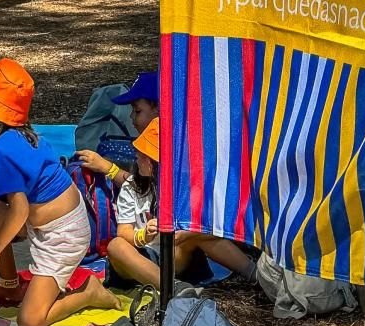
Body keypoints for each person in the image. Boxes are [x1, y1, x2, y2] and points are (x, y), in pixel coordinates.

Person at [0, 59, 120, 326]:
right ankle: (10, 286)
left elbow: (19, 211)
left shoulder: (3, 149)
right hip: (49, 221)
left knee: (30, 320)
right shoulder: (23, 135)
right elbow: (33, 185)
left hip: (62, 236)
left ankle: (89, 293)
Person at [105, 118, 257, 293]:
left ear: (158, 163)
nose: (137, 157)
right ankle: (174, 289)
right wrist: (143, 235)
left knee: (198, 233)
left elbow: (212, 228)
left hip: (173, 256)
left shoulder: (185, 188)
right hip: (139, 257)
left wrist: (182, 234)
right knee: (115, 245)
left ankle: (255, 274)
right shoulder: (132, 187)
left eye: (143, 154)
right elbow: (124, 232)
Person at [75, 71, 159, 188]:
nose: (131, 116)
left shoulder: (159, 150)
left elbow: (143, 190)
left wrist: (109, 169)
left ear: (160, 109)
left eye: (137, 111)